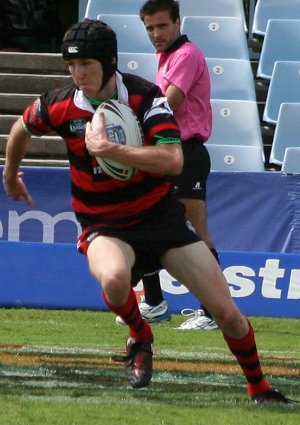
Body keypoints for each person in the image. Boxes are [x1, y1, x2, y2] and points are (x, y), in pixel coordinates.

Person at [2, 19, 292, 403]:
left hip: (162, 221)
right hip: (104, 224)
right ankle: (140, 334)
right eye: (71, 65)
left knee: (229, 315)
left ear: (110, 61)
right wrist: (10, 174)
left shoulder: (145, 98)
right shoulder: (59, 103)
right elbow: (22, 128)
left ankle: (260, 387)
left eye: (86, 64)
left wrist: (111, 150)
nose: (77, 74)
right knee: (114, 278)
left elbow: (173, 160)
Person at [120, 0, 218, 330]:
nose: (155, 34)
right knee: (145, 221)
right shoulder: (166, 56)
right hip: (168, 150)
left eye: (161, 26)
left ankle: (212, 311)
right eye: (149, 28)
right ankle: (154, 303)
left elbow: (167, 105)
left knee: (196, 233)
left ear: (178, 22)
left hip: (187, 154)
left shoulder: (187, 55)